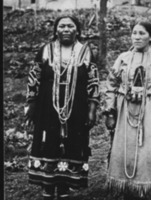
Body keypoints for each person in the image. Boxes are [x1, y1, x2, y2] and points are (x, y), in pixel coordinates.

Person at [24, 15, 99, 200]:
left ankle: (65, 187)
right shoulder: (45, 50)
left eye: (70, 26)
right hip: (47, 106)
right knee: (47, 142)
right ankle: (48, 188)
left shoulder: (86, 51)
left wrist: (92, 109)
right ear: (56, 30)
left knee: (72, 142)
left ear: (77, 30)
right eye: (62, 26)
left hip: (77, 106)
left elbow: (93, 82)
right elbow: (33, 79)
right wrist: (31, 106)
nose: (66, 29)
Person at [104, 19, 151, 200]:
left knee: (148, 152)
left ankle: (144, 190)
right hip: (125, 112)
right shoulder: (123, 58)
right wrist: (110, 112)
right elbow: (111, 85)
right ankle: (126, 189)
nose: (136, 37)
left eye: (141, 33)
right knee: (122, 150)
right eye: (134, 33)